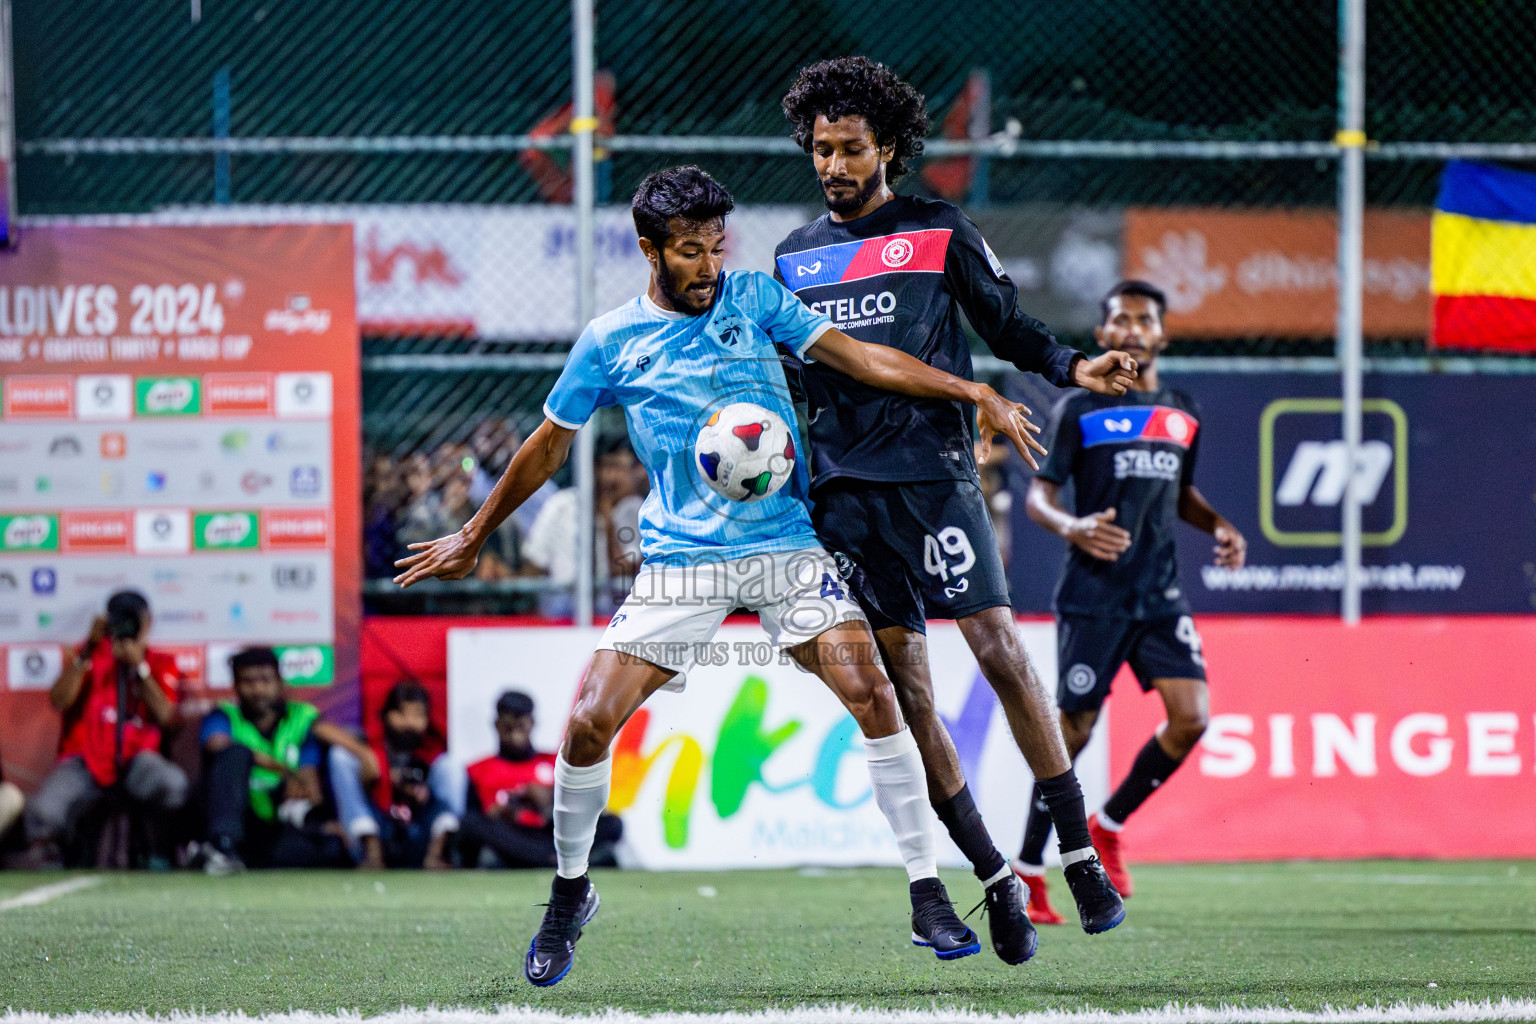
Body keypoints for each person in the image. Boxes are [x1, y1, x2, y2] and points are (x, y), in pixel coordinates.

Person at [395, 164, 1048, 986]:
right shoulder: (610, 340)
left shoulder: (755, 299)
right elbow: (549, 444)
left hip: (784, 546)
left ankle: (926, 891)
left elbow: (857, 358)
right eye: (690, 251)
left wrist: (969, 388)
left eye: (715, 247)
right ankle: (569, 894)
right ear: (649, 250)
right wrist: (474, 532)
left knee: (874, 692)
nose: (708, 266)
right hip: (681, 563)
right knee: (590, 721)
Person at [774, 57, 1135, 949]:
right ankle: (993, 876)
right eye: (821, 149)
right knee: (910, 693)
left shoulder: (939, 230)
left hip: (933, 477)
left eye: (851, 149)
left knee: (1002, 653)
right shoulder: (791, 256)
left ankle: (1078, 853)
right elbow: (787, 382)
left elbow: (1008, 327)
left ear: (888, 147)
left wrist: (1072, 368)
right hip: (842, 495)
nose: (833, 165)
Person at [1015, 280, 1247, 920]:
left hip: (1160, 594)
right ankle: (1029, 867)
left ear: (1161, 335)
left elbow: (1182, 493)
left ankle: (1110, 823)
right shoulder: (1080, 410)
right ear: (1105, 335)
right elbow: (1040, 495)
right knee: (1074, 732)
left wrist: (1221, 526)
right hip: (1093, 595)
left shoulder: (1182, 410)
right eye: (1120, 320)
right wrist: (1072, 527)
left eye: (1145, 320)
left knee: (1192, 717)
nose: (1133, 330)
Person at [22, 590, 188, 866]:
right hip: (84, 758)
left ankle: (162, 853)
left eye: (133, 618)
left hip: (138, 760)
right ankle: (51, 862)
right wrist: (88, 647)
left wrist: (139, 667)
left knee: (173, 786)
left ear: (147, 622)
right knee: (43, 812)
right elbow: (59, 700)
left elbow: (167, 717)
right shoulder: (86, 656)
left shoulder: (159, 662)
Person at [198, 647, 357, 872]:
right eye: (248, 681)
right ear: (235, 686)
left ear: (280, 682)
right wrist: (280, 768)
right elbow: (216, 744)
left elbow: (309, 765)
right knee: (235, 754)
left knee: (331, 848)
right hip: (241, 818)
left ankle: (235, 858)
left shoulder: (300, 717)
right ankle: (221, 846)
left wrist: (304, 789)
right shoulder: (224, 716)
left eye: (265, 680)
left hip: (276, 824)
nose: (258, 689)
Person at [459, 690, 623, 869]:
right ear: (497, 725)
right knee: (470, 824)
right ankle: (552, 860)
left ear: (532, 724)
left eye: (520, 726)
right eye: (508, 728)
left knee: (613, 823)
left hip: (552, 834)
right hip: (512, 836)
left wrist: (551, 798)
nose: (515, 734)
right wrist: (498, 813)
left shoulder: (556, 761)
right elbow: (473, 818)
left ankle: (543, 859)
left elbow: (586, 807)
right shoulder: (478, 770)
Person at [328, 681, 458, 869]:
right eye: (401, 714)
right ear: (387, 715)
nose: (409, 722)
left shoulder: (432, 749)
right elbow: (321, 729)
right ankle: (370, 851)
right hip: (379, 827)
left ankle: (441, 853)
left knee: (450, 766)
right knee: (339, 756)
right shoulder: (371, 741)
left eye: (418, 715)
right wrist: (365, 756)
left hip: (418, 832)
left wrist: (416, 793)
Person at [521, 441, 644, 618]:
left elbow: (622, 572)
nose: (612, 478)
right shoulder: (562, 504)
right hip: (560, 616)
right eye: (608, 467)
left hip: (613, 618)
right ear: (593, 468)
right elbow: (534, 566)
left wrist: (607, 520)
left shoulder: (635, 510)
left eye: (620, 468)